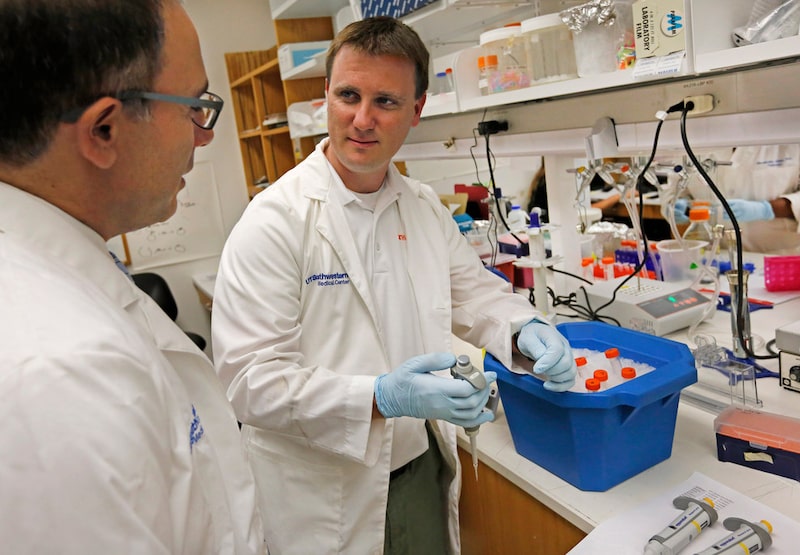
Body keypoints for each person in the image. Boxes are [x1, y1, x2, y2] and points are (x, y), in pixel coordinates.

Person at [211, 16, 577, 555]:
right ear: (326, 97)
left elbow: (476, 296)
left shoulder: (423, 208)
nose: (362, 119)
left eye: (385, 101)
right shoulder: (274, 221)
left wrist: (525, 329)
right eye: (348, 95)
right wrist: (380, 396)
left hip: (419, 465)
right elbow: (249, 383)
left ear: (417, 110)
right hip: (326, 488)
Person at [0, 1, 265, 552]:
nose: (204, 136)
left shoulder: (55, 273)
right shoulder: (59, 376)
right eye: (194, 107)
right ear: (103, 130)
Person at [675, 143, 800, 254]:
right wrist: (675, 206)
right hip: (719, 258)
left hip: (791, 257)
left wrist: (766, 210)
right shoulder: (694, 134)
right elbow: (673, 188)